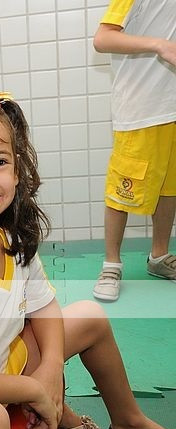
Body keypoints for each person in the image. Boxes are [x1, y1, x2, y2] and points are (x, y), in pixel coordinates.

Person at [0, 94, 170, 429]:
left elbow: (44, 307)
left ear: (16, 171)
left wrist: (51, 368)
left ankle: (129, 422)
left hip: (0, 360)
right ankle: (51, 413)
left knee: (90, 316)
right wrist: (34, 389)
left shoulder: (11, 237)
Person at [92, 0, 176, 301]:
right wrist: (159, 45)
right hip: (141, 111)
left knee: (169, 188)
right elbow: (102, 38)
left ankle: (159, 256)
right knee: (122, 191)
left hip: (172, 109)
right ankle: (111, 265)